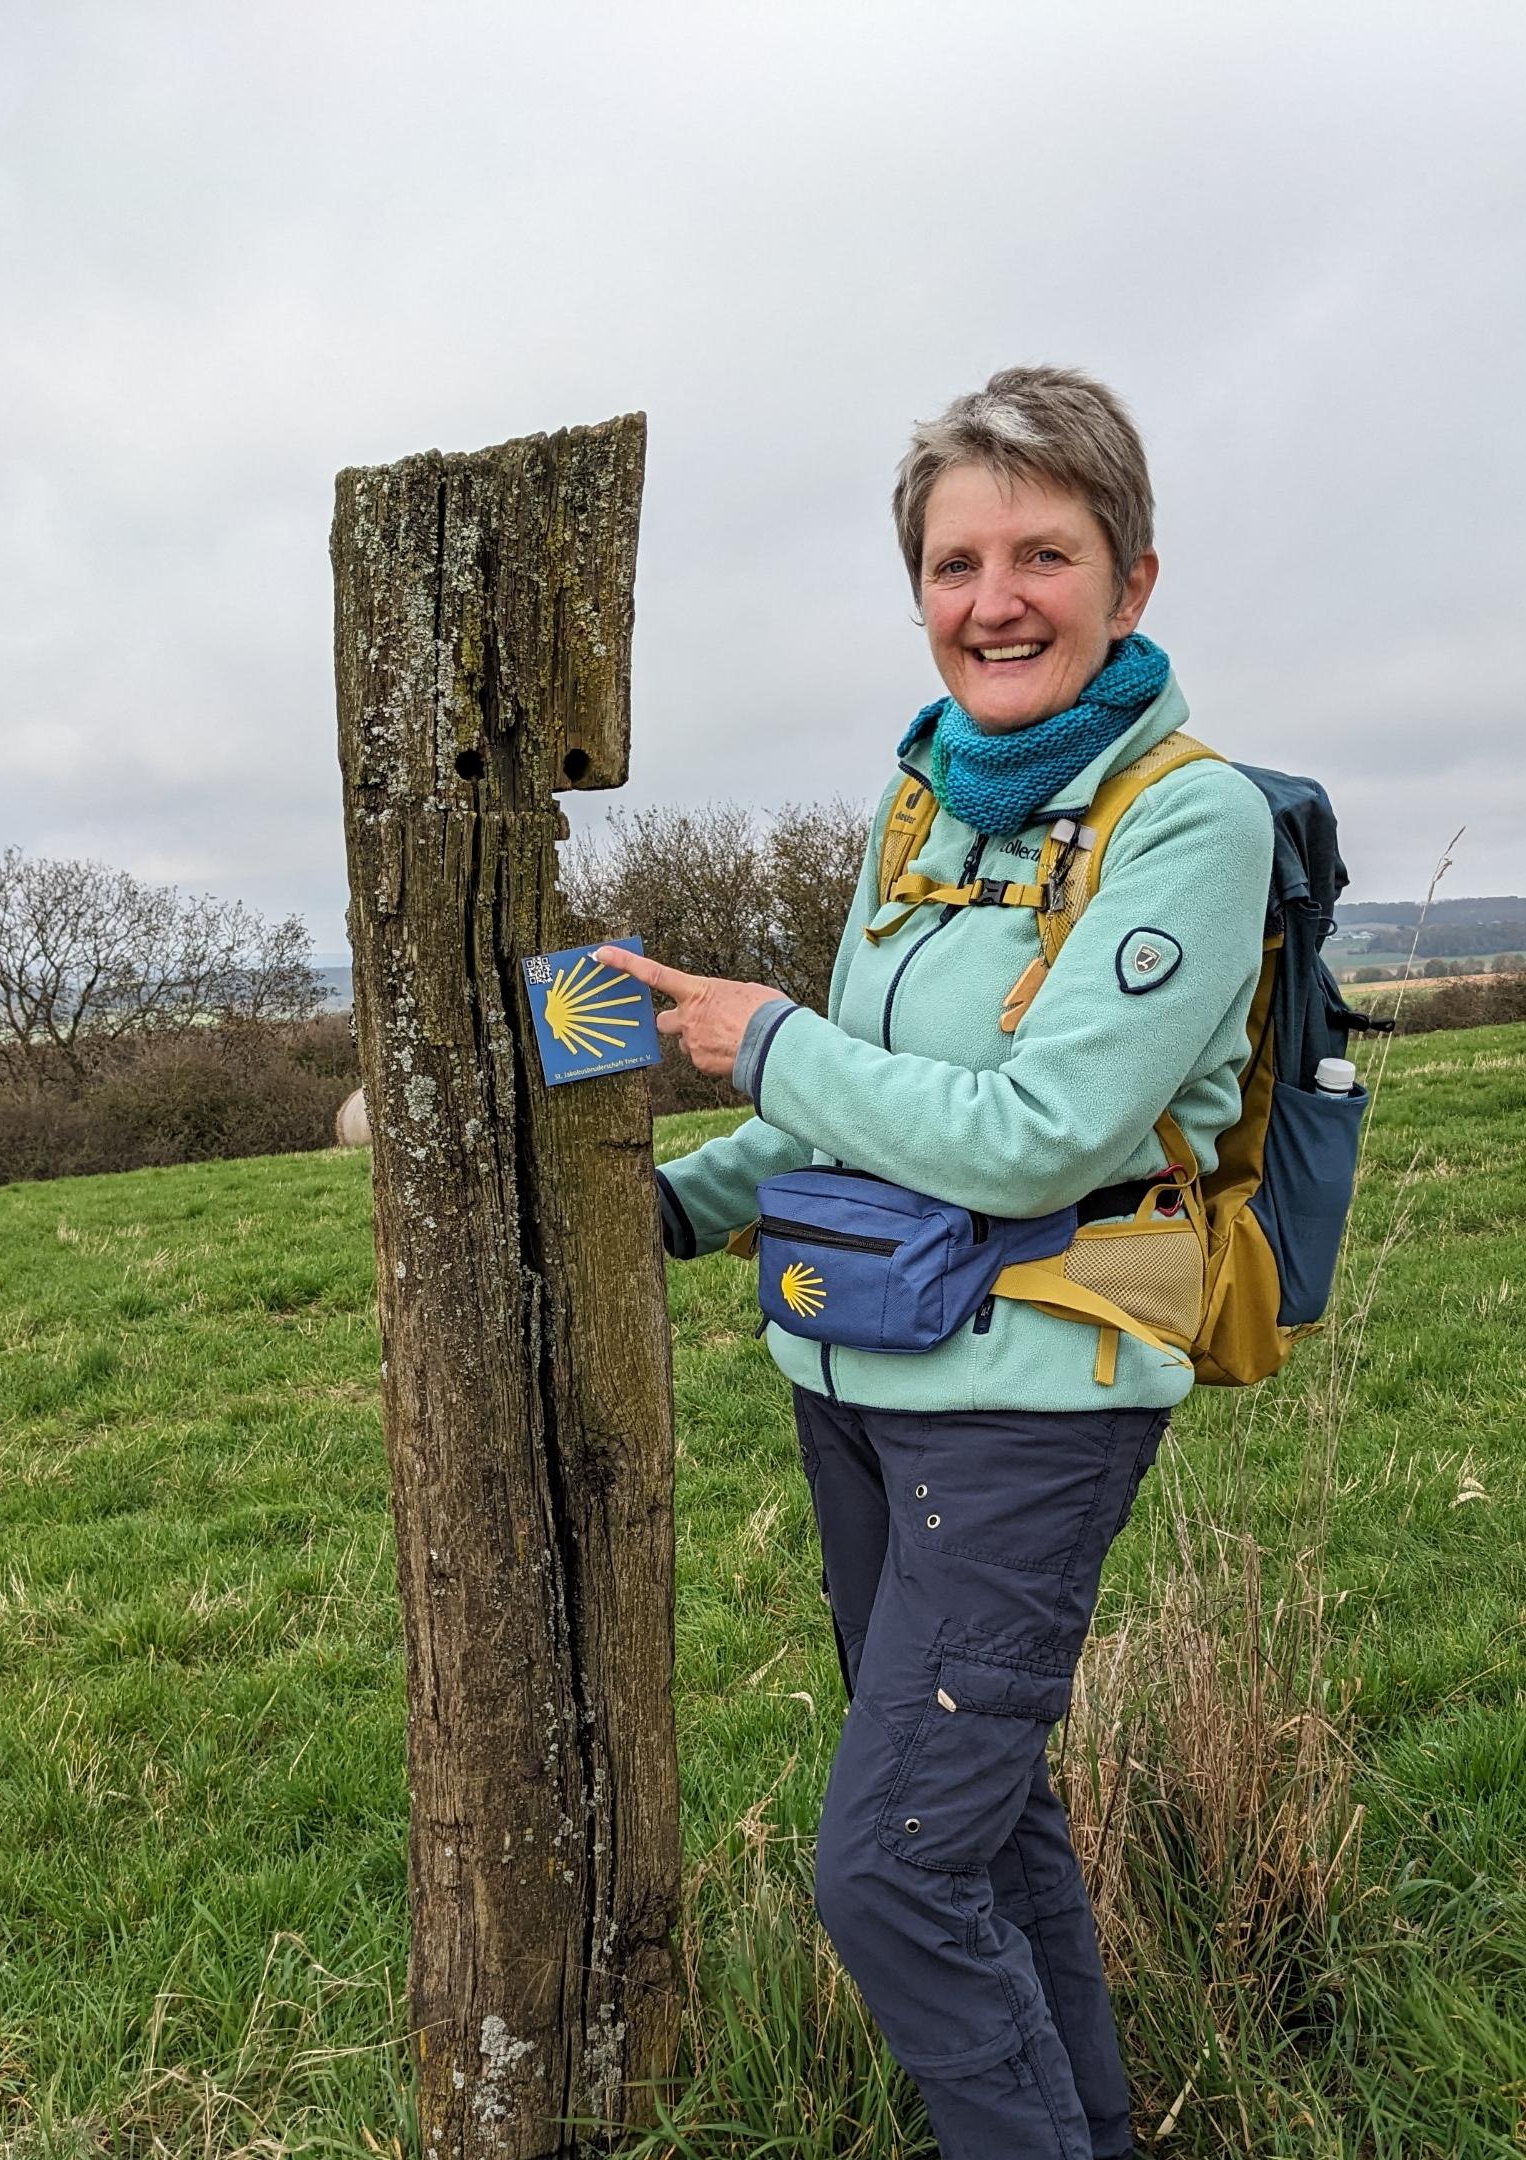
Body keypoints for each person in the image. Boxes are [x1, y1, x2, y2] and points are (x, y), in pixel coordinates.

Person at [595, 366, 1273, 2160]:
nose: (997, 600)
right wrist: (668, 1204)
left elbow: (1041, 1130)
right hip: (855, 1387)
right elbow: (856, 1118)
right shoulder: (924, 811)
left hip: (1030, 1410)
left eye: (1045, 552)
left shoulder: (1189, 823)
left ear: (1132, 580)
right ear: (920, 595)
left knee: (889, 1876)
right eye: (957, 562)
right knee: (983, 1826)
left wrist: (767, 1040)